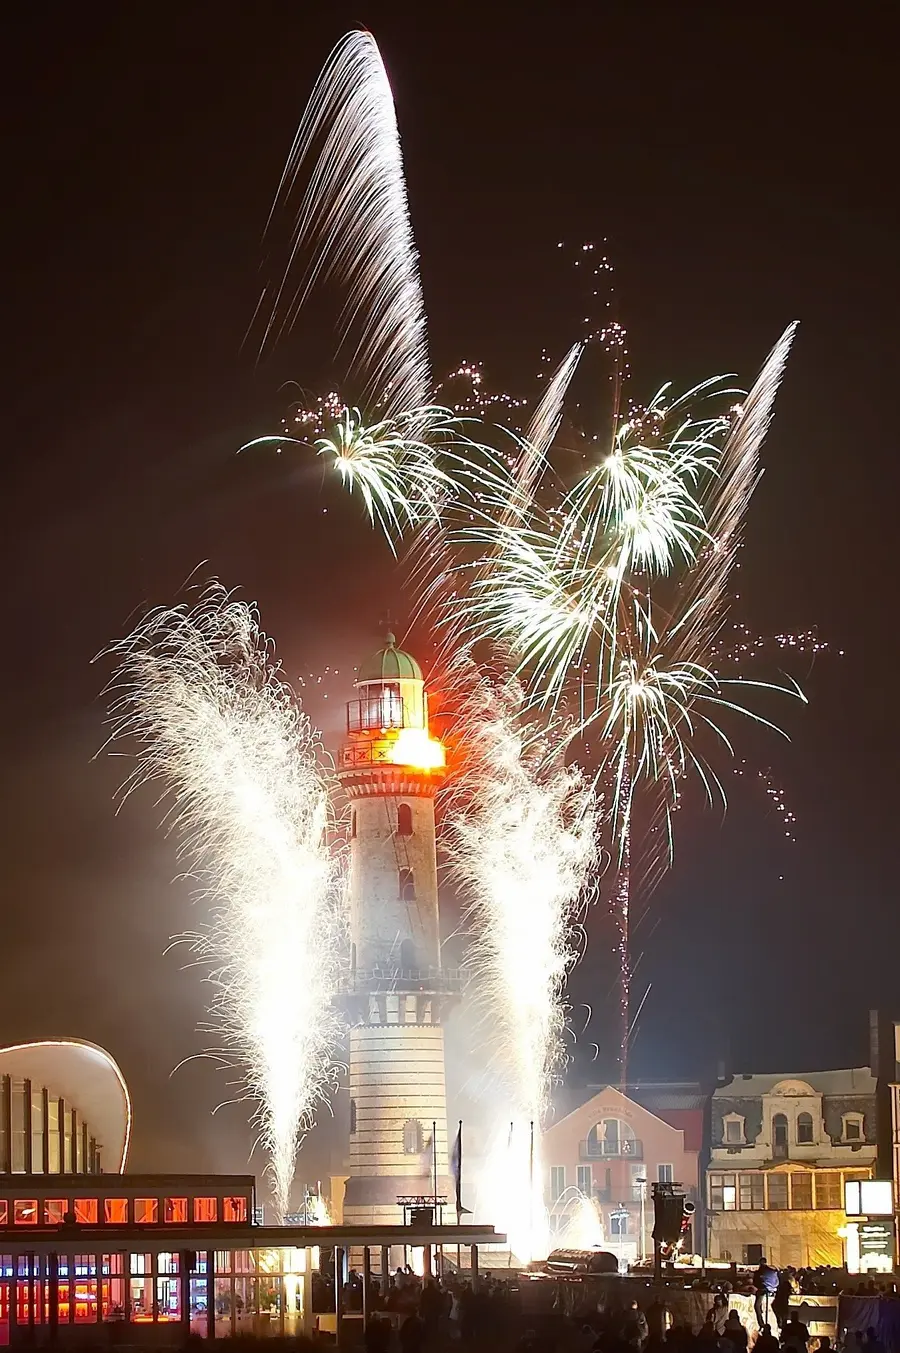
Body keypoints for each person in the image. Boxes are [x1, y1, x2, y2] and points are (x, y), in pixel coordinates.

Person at [754, 1261, 780, 1331]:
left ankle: (761, 1323)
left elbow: (756, 1283)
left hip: (763, 1291)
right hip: (773, 1291)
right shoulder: (773, 1271)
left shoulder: (759, 1272)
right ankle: (779, 1322)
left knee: (756, 1306)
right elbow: (777, 1282)